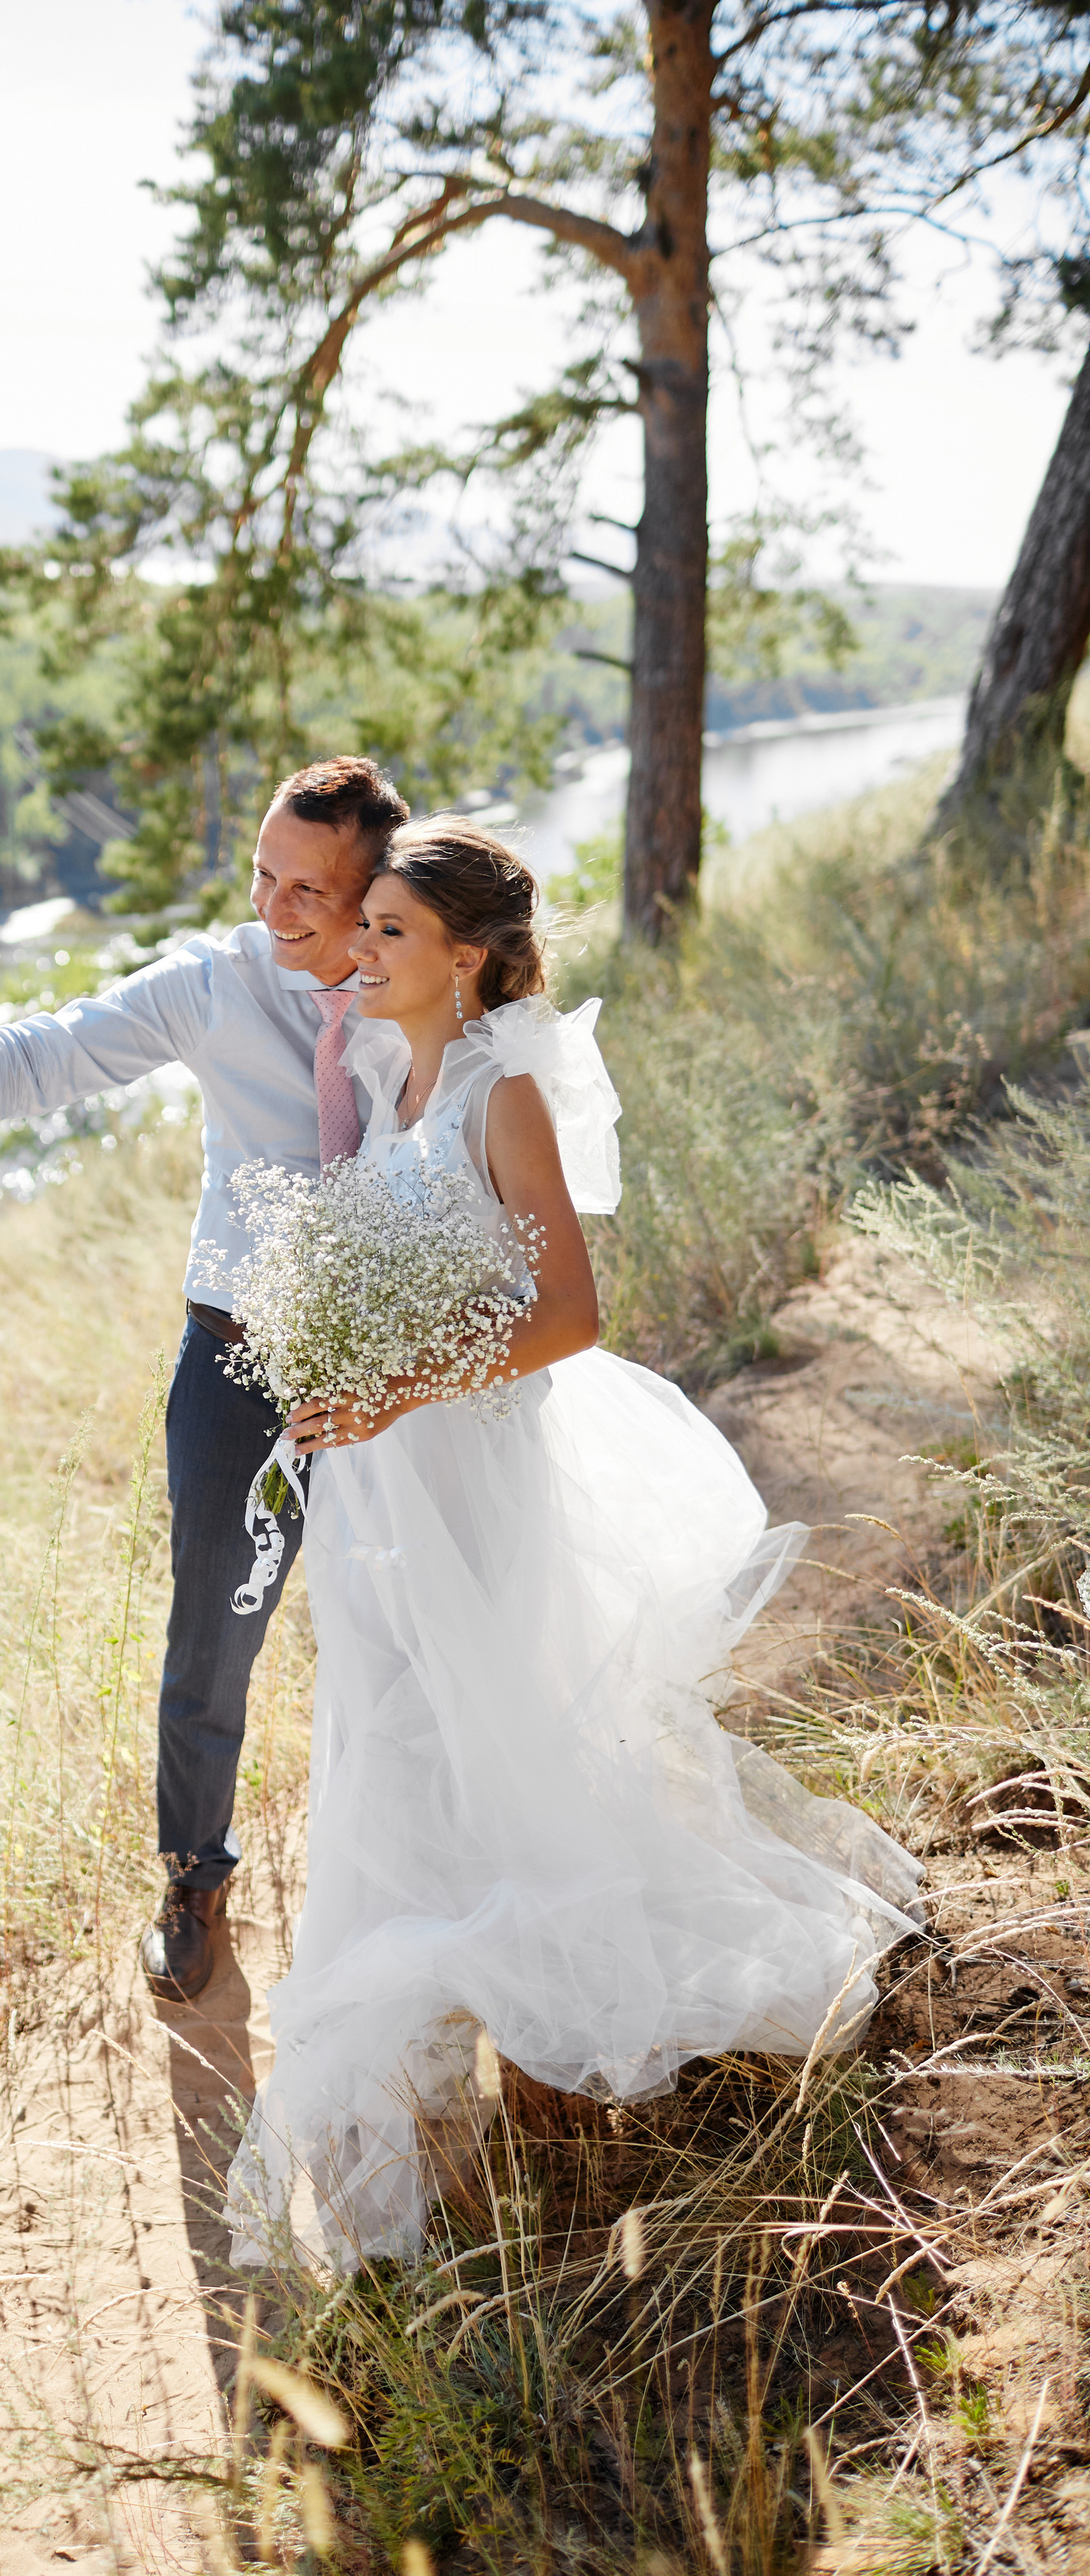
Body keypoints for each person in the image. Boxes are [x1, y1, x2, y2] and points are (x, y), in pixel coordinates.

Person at [225, 815, 923, 2273]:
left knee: (497, 1753)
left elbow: (569, 1318)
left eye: (391, 934)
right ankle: (468, 2092)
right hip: (380, 1490)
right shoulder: (378, 1067)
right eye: (365, 932)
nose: (359, 950)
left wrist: (400, 1383)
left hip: (473, 1474)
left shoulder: (498, 1095)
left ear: (468, 962)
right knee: (398, 1746)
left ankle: (565, 2087)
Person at [0, 755, 412, 2004]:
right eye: (261, 874)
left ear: (373, 888)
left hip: (397, 1372)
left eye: (306, 892)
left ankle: (419, 1876)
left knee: (403, 1620)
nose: (273, 909)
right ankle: (192, 1878)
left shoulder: (419, 979)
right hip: (240, 1355)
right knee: (214, 1632)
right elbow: (48, 1055)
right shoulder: (215, 985)